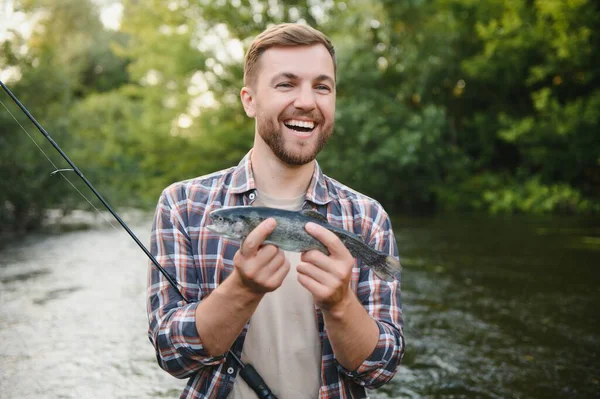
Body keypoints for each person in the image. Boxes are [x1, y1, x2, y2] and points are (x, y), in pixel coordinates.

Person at [147, 23, 404, 399]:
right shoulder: (182, 205)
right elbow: (172, 355)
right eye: (286, 84)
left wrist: (340, 303)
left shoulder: (368, 217)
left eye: (322, 86)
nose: (307, 101)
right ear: (249, 100)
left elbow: (382, 368)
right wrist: (241, 290)